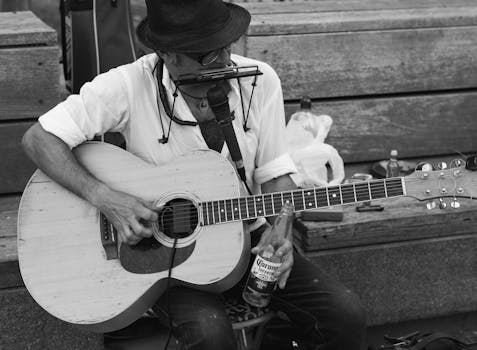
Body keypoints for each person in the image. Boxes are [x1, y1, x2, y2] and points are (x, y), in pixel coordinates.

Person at [21, 0, 367, 349]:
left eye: (226, 47)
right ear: (168, 54)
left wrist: (283, 225)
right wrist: (105, 198)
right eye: (206, 55)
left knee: (344, 313)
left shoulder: (259, 82)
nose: (222, 63)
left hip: (247, 240)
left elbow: (276, 173)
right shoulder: (128, 85)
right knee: (208, 331)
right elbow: (39, 139)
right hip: (159, 254)